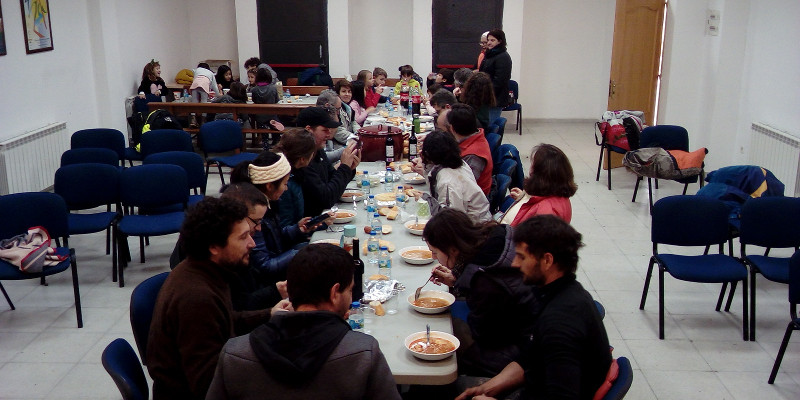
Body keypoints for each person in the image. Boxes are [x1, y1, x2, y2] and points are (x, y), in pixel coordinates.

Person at [207, 244, 401, 399]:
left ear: (289, 289)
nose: (351, 299)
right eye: (350, 290)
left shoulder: (234, 353)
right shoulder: (363, 353)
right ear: (334, 293)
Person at [147, 197, 291, 400]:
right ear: (214, 246)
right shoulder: (197, 298)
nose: (252, 243)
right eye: (243, 237)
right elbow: (207, 385)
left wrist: (270, 314)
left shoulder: (203, 270)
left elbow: (224, 320)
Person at [456, 215, 612, 400]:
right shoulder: (556, 292)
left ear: (547, 261)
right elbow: (531, 359)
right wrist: (489, 387)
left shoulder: (560, 322)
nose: (514, 263)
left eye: (522, 257)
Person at [423, 209, 535, 376]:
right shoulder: (495, 236)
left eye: (436, 252)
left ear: (453, 250)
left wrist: (467, 286)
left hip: (523, 350)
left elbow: (485, 334)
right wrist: (457, 280)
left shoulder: (485, 281)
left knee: (442, 349)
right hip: (527, 324)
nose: (434, 257)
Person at [230, 151, 322, 284]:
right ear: (269, 186)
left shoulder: (269, 204)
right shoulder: (252, 215)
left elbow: (275, 239)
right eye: (285, 184)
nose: (286, 189)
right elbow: (265, 266)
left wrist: (298, 229)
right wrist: (301, 253)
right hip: (270, 283)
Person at [220, 182, 288, 311]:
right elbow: (237, 309)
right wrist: (274, 292)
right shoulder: (226, 254)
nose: (259, 228)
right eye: (256, 222)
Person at [293, 107, 360, 217]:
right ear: (309, 129)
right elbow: (327, 199)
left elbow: (331, 180)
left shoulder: (318, 150)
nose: (329, 134)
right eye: (324, 130)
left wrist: (349, 168)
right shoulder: (303, 160)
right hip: (311, 222)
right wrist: (344, 168)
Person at [413, 130, 491, 223]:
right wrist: (425, 164)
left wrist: (426, 200)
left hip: (475, 227)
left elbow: (449, 220)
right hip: (473, 219)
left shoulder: (447, 181)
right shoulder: (459, 163)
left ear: (428, 154)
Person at [501, 144, 577, 226]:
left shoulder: (545, 213)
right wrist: (525, 199)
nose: (530, 171)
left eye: (533, 165)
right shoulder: (559, 196)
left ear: (538, 174)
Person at [440, 104, 494, 196]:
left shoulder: (473, 156)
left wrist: (429, 173)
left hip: (473, 203)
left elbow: (461, 189)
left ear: (452, 129)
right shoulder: (475, 136)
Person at [273, 129, 321, 227]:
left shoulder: (297, 174)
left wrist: (320, 222)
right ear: (302, 159)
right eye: (312, 153)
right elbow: (284, 228)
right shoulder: (286, 184)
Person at [479, 29, 513, 123]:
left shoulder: (503, 57)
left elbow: (499, 81)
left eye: (492, 40)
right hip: (485, 98)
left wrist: (485, 93)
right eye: (488, 40)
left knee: (490, 126)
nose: (489, 43)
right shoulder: (489, 55)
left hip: (495, 99)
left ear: (500, 41)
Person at [316, 89, 355, 162]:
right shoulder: (317, 122)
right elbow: (322, 158)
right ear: (327, 106)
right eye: (337, 109)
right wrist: (346, 150)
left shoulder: (344, 110)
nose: (338, 113)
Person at [249, 67, 281, 144]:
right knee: (275, 124)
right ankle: (276, 140)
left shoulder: (254, 90)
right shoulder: (273, 88)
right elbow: (277, 100)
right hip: (272, 116)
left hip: (259, 117)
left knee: (262, 126)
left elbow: (254, 100)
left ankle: (265, 142)